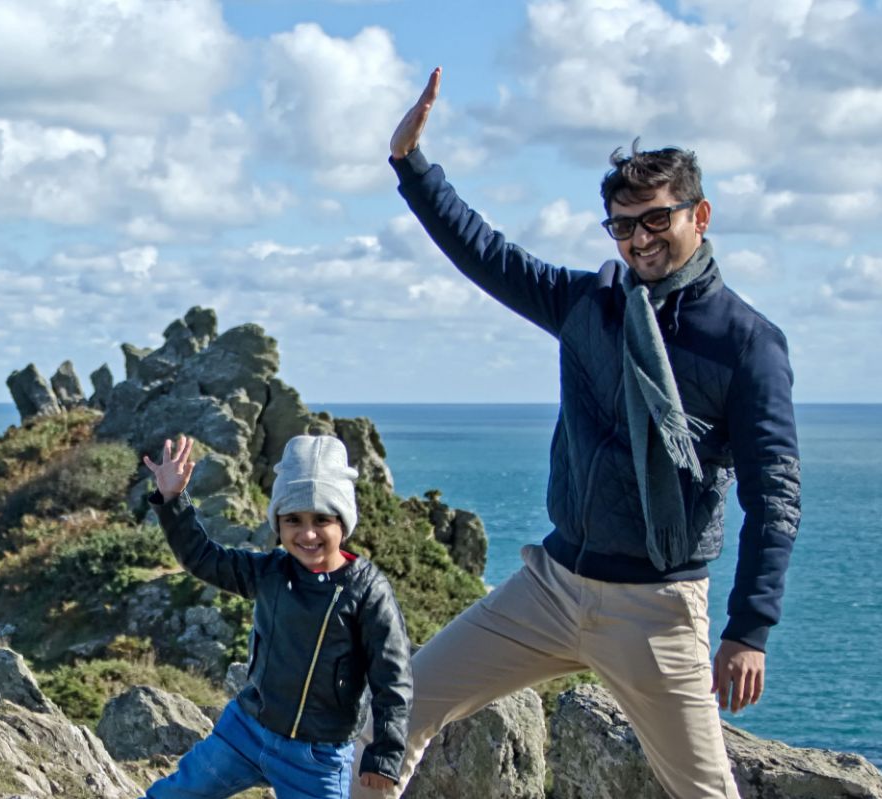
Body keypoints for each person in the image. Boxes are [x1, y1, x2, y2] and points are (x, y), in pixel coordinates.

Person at [373, 68, 801, 799]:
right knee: (398, 707)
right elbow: (488, 254)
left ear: (701, 215)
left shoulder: (747, 343)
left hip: (656, 608)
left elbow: (776, 498)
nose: (639, 240)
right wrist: (413, 168)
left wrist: (749, 629)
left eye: (656, 220)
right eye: (623, 226)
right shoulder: (591, 305)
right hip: (554, 583)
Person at [140, 433, 412, 798]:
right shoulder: (270, 571)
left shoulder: (367, 590)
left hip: (317, 756)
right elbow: (203, 558)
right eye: (293, 520)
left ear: (344, 523)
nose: (308, 533)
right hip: (246, 730)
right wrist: (173, 500)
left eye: (322, 519)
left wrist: (386, 754)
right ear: (278, 524)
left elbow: (392, 679)